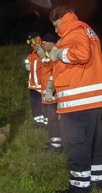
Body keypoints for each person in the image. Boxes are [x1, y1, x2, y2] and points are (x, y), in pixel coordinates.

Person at [49, 6, 102, 193]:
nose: (56, 31)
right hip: (91, 101)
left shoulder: (74, 31)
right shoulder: (87, 30)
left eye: (56, 25)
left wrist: (60, 54)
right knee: (94, 144)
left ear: (62, 18)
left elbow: (82, 54)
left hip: (77, 103)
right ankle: (96, 182)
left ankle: (79, 188)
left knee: (76, 145)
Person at [36, 33, 62, 153]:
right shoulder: (52, 53)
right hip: (50, 93)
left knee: (53, 119)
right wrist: (41, 53)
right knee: (51, 119)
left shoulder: (56, 53)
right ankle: (55, 141)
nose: (43, 44)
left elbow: (54, 71)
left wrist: (50, 89)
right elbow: (47, 62)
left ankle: (57, 144)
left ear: (51, 43)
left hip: (54, 94)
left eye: (45, 42)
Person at [25, 32, 46, 129]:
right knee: (34, 104)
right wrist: (27, 65)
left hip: (42, 84)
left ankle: (46, 122)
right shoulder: (32, 53)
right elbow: (28, 61)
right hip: (33, 84)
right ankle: (38, 122)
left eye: (31, 40)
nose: (30, 43)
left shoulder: (43, 51)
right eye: (29, 41)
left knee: (43, 103)